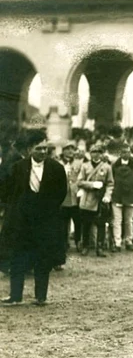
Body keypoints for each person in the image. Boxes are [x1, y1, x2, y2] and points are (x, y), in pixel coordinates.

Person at [0, 130, 67, 305]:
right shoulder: (18, 168)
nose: (43, 152)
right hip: (21, 221)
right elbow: (8, 191)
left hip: (44, 221)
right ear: (30, 149)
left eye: (45, 148)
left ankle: (41, 296)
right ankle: (15, 296)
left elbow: (61, 193)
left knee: (42, 258)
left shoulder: (56, 169)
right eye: (39, 148)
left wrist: (48, 210)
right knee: (18, 258)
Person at [77, 144, 114, 257]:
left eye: (98, 152)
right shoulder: (85, 166)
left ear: (101, 153)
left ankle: (100, 247)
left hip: (101, 199)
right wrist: (92, 184)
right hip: (88, 198)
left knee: (101, 224)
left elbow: (110, 183)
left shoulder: (107, 167)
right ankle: (85, 246)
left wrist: (108, 195)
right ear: (90, 153)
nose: (96, 154)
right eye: (93, 151)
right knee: (86, 224)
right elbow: (79, 182)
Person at [111, 143, 133, 252]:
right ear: (120, 153)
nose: (126, 154)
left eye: (128, 152)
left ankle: (128, 241)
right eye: (124, 152)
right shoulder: (115, 165)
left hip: (130, 197)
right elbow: (111, 181)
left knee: (129, 221)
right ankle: (117, 242)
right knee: (117, 220)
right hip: (117, 197)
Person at [59, 141, 83, 255]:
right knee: (63, 223)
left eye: (72, 149)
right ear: (63, 151)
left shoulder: (79, 163)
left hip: (76, 196)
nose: (70, 151)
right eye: (67, 149)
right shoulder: (58, 163)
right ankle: (64, 243)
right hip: (63, 197)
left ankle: (79, 242)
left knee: (78, 221)